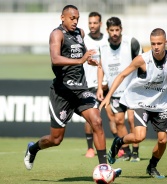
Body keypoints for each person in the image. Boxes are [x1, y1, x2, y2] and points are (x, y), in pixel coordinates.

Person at [23, 5, 121, 177]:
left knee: (97, 121)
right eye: (72, 18)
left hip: (81, 89)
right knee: (56, 139)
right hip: (62, 92)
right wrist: (81, 60)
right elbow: (55, 59)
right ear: (63, 17)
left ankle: (104, 168)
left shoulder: (80, 33)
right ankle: (33, 148)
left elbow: (80, 55)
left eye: (77, 18)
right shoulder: (57, 34)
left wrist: (88, 60)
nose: (75, 21)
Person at [99, 28, 167, 178]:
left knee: (163, 140)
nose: (156, 47)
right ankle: (118, 142)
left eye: (159, 43)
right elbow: (122, 75)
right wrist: (108, 95)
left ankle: (152, 167)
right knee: (139, 137)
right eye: (153, 43)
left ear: (165, 42)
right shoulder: (142, 59)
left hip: (161, 105)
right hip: (141, 102)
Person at [97, 17, 142, 162]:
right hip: (115, 92)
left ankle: (136, 151)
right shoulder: (103, 47)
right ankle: (126, 150)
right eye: (112, 30)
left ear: (121, 29)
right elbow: (100, 67)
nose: (115, 33)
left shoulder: (131, 43)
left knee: (131, 120)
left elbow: (142, 62)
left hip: (133, 90)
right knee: (119, 121)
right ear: (107, 31)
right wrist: (99, 87)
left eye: (117, 30)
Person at [83, 11, 117, 158]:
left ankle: (118, 146)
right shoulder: (84, 41)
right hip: (88, 84)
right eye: (90, 23)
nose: (92, 25)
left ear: (100, 24)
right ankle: (90, 148)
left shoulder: (107, 41)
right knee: (91, 117)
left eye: (95, 23)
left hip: (106, 85)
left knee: (112, 116)